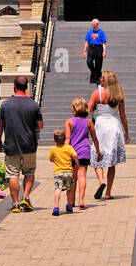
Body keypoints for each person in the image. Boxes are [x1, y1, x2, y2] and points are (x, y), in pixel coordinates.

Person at [0, 75, 43, 213]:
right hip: (29, 145)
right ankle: (26, 197)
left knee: (13, 174)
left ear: (14, 87)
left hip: (11, 145)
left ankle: (15, 203)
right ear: (26, 87)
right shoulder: (33, 105)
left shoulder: (6, 105)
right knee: (29, 172)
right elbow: (40, 125)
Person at [88, 69, 130, 201]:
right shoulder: (119, 95)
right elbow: (123, 116)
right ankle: (108, 193)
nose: (100, 80)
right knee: (112, 162)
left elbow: (88, 110)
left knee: (96, 156)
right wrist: (126, 133)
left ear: (105, 81)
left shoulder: (97, 93)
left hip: (101, 125)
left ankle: (101, 181)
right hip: (114, 125)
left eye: (102, 78)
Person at [65, 97, 100, 211]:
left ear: (75, 108)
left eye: (72, 106)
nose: (71, 108)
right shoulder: (88, 122)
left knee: (72, 178)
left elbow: (68, 138)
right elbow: (94, 138)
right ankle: (81, 201)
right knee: (82, 176)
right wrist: (98, 151)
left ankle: (70, 202)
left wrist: (64, 151)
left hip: (72, 152)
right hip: (84, 151)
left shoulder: (69, 122)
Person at [48, 129, 79, 216]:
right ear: (65, 139)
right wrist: (77, 163)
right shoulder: (69, 147)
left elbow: (50, 159)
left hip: (58, 173)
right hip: (69, 172)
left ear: (54, 140)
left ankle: (56, 206)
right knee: (69, 189)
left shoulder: (54, 149)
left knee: (58, 189)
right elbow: (75, 155)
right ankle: (69, 205)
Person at [83, 19, 107, 85]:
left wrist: (104, 51)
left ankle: (98, 78)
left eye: (94, 24)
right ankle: (93, 72)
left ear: (97, 24)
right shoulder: (89, 32)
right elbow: (86, 42)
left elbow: (104, 43)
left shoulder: (101, 32)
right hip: (91, 47)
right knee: (89, 62)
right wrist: (84, 51)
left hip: (98, 48)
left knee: (98, 64)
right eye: (92, 24)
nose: (93, 26)